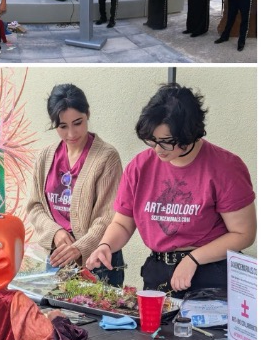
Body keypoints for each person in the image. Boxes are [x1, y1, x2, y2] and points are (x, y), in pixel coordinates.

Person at [87, 84, 256, 296]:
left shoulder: (225, 167)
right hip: (158, 271)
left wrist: (194, 259)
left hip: (210, 271)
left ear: (189, 134)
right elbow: (122, 222)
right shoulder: (140, 166)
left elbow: (243, 234)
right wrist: (106, 245)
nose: (158, 150)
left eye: (166, 142)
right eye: (152, 141)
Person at [24, 84, 125, 286]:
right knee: (54, 317)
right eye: (62, 127)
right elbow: (35, 207)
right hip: (56, 260)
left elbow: (108, 216)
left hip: (97, 261)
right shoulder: (45, 157)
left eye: (77, 123)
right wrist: (56, 233)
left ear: (87, 114)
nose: (71, 133)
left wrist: (80, 247)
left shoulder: (107, 157)